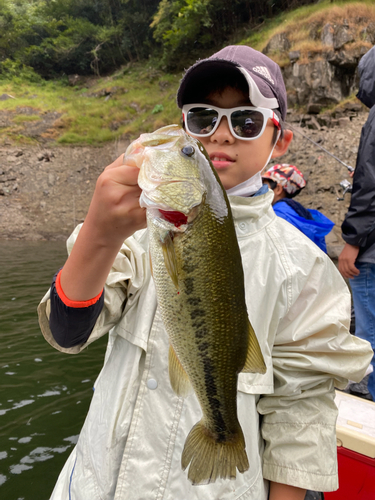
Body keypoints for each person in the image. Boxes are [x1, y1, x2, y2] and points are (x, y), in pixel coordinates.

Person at [38, 45, 372, 500]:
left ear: (281, 140)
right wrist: (99, 234)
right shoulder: (134, 234)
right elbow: (67, 333)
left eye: (246, 121)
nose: (220, 135)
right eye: (201, 119)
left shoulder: (304, 268)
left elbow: (301, 411)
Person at [338, 45, 375, 402]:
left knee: (370, 331)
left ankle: (368, 391)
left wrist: (353, 242)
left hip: (372, 252)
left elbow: (369, 183)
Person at [262, 164, 334, 252]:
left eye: (264, 185)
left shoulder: (276, 217)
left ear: (278, 189)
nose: (259, 189)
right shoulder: (298, 213)